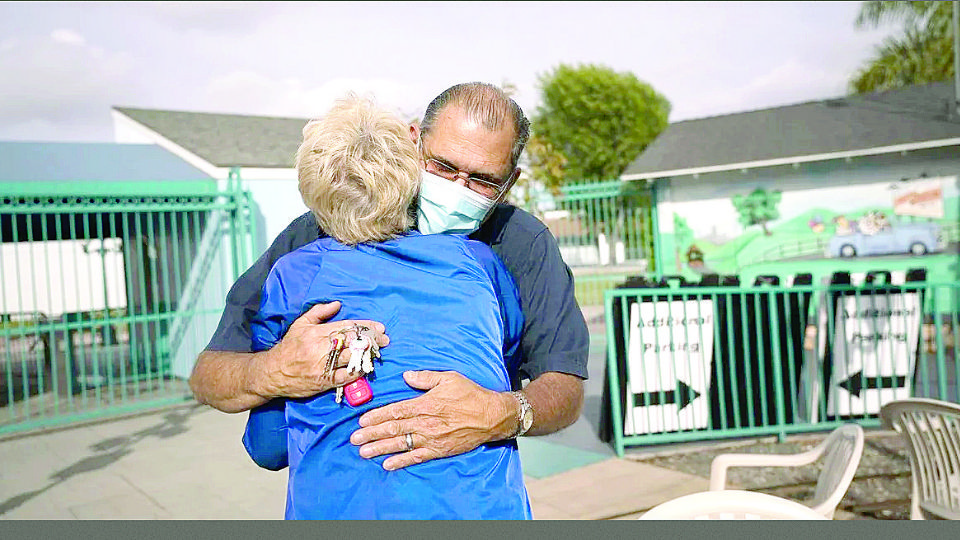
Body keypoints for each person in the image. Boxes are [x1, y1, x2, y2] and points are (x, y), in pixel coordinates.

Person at [189, 82, 588, 471]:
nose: (457, 188)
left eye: (482, 181)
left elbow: (565, 388)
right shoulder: (330, 223)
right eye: (443, 167)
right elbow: (209, 375)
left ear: (510, 181)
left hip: (466, 493)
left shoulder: (521, 244)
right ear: (414, 142)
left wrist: (504, 412)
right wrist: (273, 371)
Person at [243, 96, 530, 519]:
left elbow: (267, 447)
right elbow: (506, 351)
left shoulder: (294, 276)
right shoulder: (478, 261)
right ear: (409, 176)